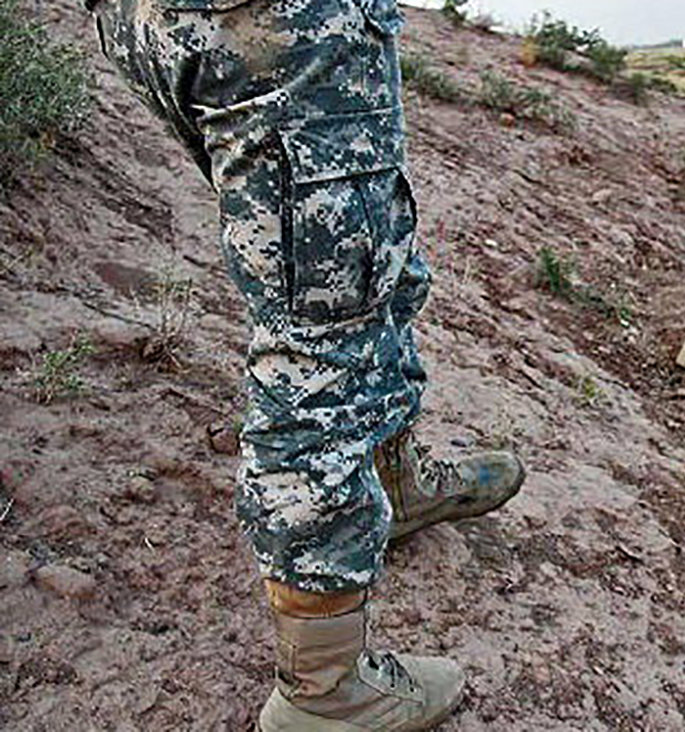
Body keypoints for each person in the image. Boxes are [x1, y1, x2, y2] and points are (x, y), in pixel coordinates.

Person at [88, 0, 526, 727]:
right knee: (321, 341)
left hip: (219, 22)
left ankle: (387, 484)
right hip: (271, 26)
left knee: (367, 270)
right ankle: (324, 690)